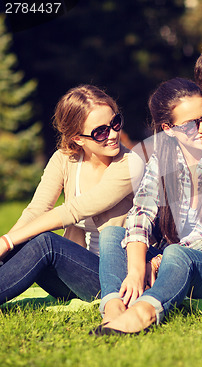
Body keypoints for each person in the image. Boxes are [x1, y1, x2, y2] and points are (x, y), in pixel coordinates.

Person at [93, 78, 202, 335]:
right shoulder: (162, 160)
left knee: (176, 252)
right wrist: (137, 269)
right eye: (189, 126)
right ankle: (114, 309)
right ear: (169, 129)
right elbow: (142, 212)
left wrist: (157, 261)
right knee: (112, 233)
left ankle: (145, 312)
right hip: (171, 263)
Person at [0, 85, 143, 305]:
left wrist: (7, 241)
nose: (113, 134)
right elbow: (37, 210)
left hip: (115, 279)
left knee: (44, 242)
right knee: (20, 242)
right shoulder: (64, 158)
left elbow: (72, 211)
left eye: (115, 123)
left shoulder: (130, 164)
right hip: (73, 274)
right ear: (78, 139)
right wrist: (7, 244)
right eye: (101, 131)